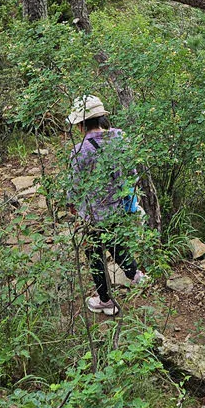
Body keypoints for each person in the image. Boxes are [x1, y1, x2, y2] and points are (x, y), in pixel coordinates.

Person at [66, 95, 146, 315]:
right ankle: (136, 276)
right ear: (101, 117)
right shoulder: (120, 137)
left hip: (93, 213)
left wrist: (72, 205)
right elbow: (132, 172)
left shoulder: (79, 151)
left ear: (80, 125)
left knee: (94, 254)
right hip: (118, 206)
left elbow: (74, 185)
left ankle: (105, 301)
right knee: (115, 244)